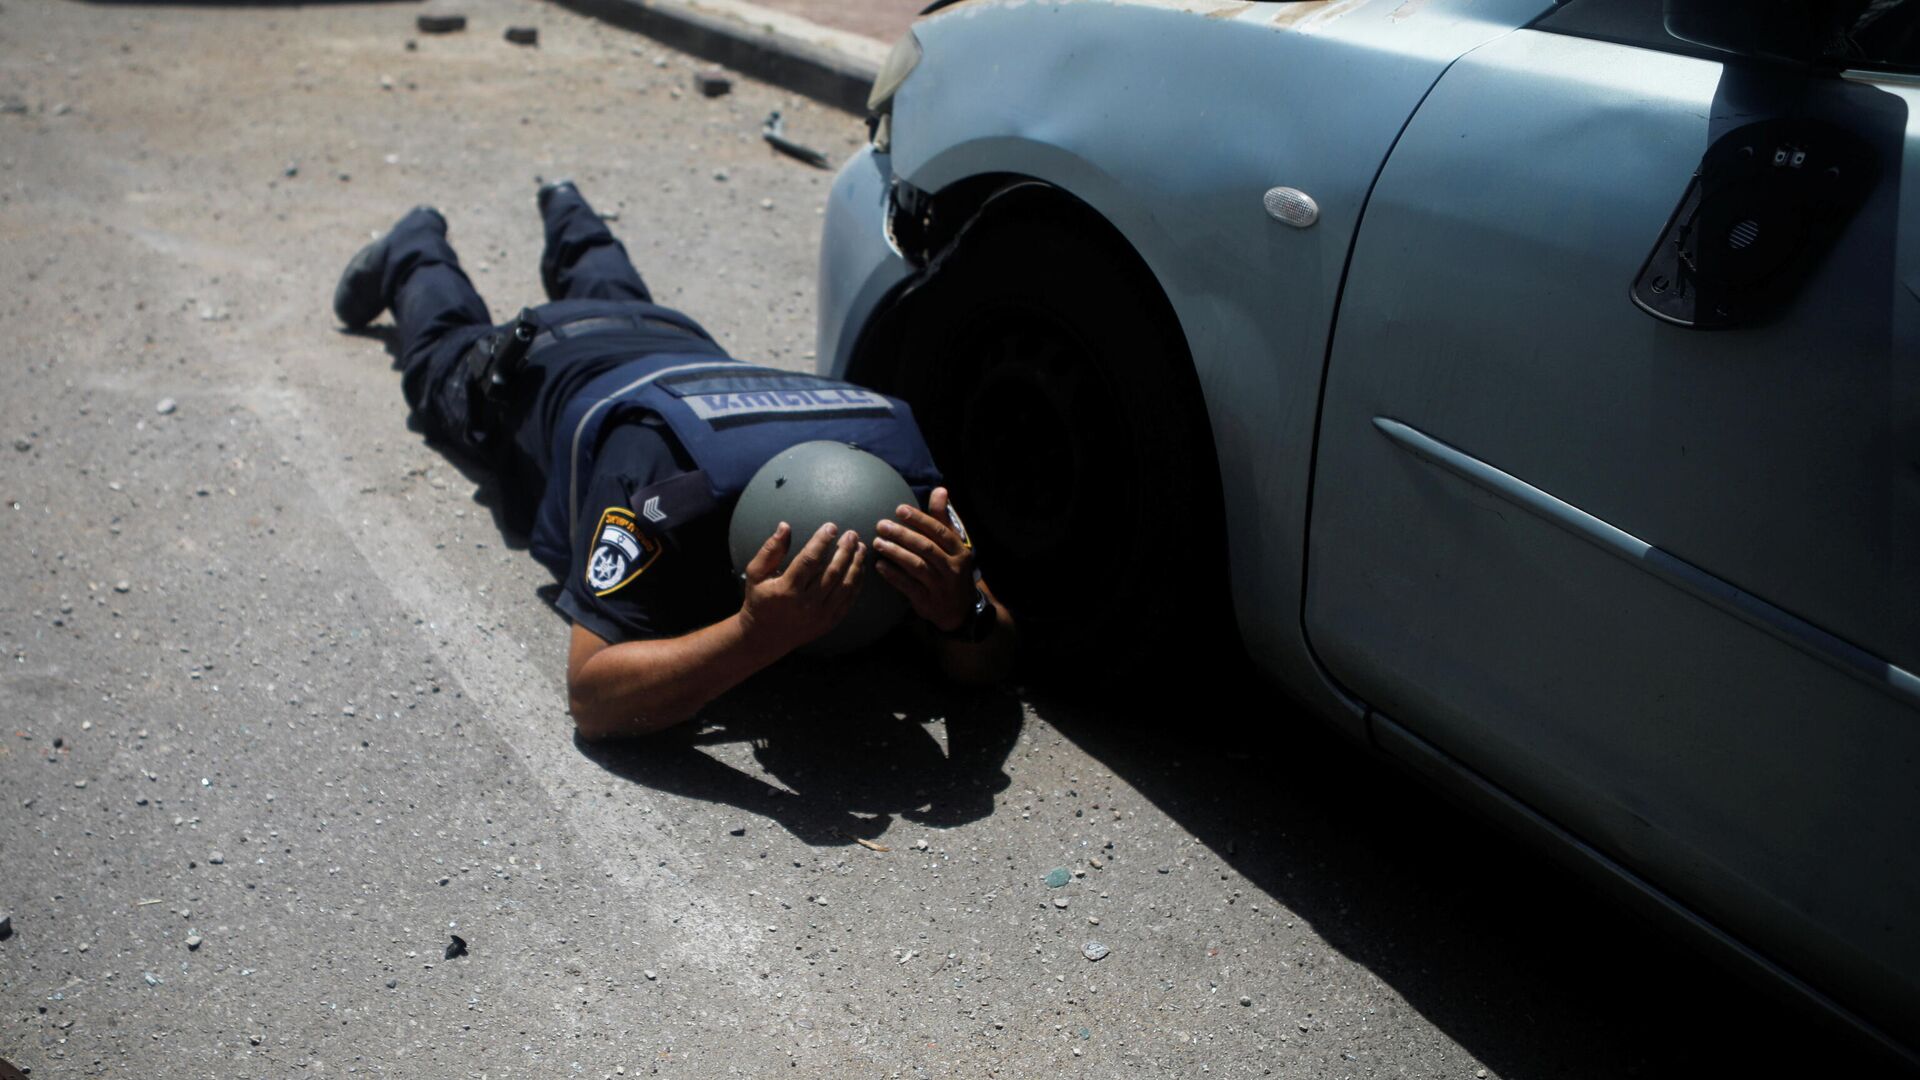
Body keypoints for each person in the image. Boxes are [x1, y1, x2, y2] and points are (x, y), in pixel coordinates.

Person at [332, 181, 1015, 739]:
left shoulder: (898, 484)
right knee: (440, 354)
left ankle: (566, 202)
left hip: (673, 342)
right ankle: (416, 245)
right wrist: (754, 635)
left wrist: (964, 612)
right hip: (547, 360)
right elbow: (595, 697)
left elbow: (1000, 640)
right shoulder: (662, 478)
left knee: (618, 297)